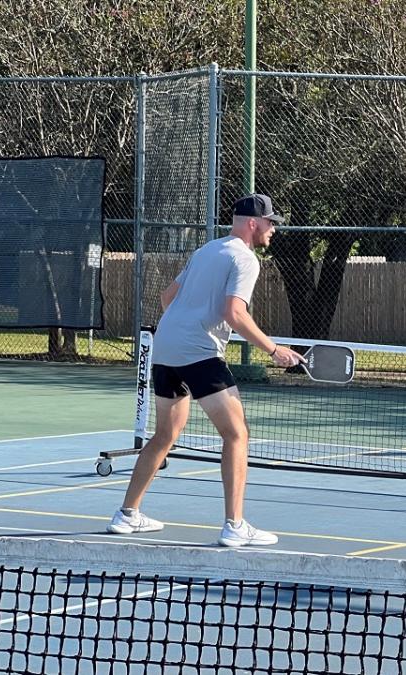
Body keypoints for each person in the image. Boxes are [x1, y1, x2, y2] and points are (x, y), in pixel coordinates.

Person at [107, 193, 305, 546]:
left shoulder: (206, 251)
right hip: (199, 354)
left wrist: (186, 326)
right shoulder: (245, 259)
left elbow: (168, 298)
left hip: (165, 351)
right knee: (237, 434)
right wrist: (274, 351)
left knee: (165, 434)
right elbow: (235, 313)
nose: (273, 229)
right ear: (252, 223)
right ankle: (235, 525)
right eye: (270, 223)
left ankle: (126, 515)